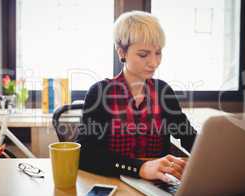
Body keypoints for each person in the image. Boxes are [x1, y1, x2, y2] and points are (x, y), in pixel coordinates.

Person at [78, 11, 196, 183]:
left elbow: (187, 136)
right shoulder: (100, 93)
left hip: (157, 183)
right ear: (121, 52)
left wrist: (211, 157)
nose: (154, 62)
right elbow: (85, 154)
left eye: (158, 53)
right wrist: (140, 167)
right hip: (113, 181)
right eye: (143, 54)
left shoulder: (163, 91)